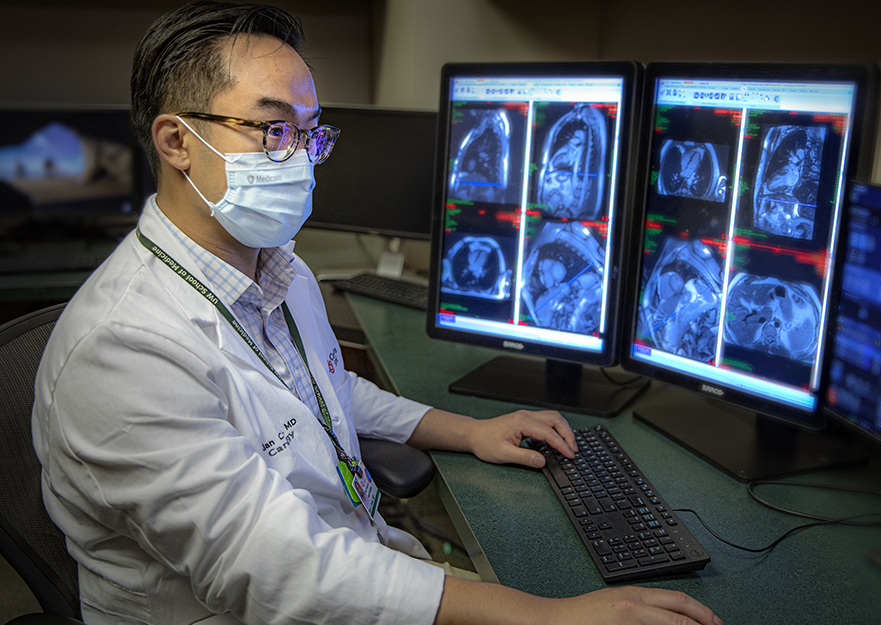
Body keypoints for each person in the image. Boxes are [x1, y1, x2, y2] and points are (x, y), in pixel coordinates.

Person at [31, 3, 724, 625]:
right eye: (274, 129)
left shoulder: (279, 269)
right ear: (177, 142)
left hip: (358, 558)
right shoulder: (122, 348)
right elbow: (281, 569)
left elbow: (324, 385)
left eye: (310, 134)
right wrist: (548, 616)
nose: (300, 160)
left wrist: (468, 430)